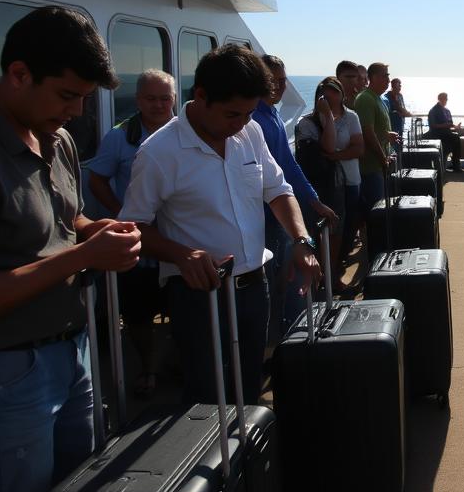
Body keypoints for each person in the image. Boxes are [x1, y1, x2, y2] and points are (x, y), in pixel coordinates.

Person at [0, 6, 141, 492]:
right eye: (67, 95)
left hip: (74, 351)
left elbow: (63, 216)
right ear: (18, 74)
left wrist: (96, 229)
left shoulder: (58, 136)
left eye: (83, 99)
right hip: (7, 371)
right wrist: (83, 256)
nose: (75, 111)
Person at [119, 44, 321, 407]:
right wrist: (181, 254)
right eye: (233, 114)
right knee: (206, 396)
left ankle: (248, 459)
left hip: (253, 287)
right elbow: (133, 227)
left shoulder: (251, 132)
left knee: (248, 384)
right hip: (199, 295)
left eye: (248, 114)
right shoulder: (158, 152)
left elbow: (278, 191)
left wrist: (302, 242)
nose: (241, 124)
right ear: (200, 96)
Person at [87, 68, 176, 398]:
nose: (158, 105)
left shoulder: (188, 135)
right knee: (138, 311)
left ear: (175, 100)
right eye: (150, 99)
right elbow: (97, 179)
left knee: (179, 304)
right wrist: (120, 214)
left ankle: (177, 360)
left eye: (165, 98)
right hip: (139, 243)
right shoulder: (119, 136)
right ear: (138, 100)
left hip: (176, 238)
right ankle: (149, 366)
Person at [253, 55, 337, 337]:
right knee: (273, 283)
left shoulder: (272, 115)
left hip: (278, 216)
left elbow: (287, 164)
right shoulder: (254, 119)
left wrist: (313, 199)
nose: (279, 86)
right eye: (273, 80)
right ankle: (280, 340)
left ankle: (286, 337)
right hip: (262, 218)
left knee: (283, 278)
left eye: (283, 80)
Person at [296, 76, 364, 281]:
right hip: (315, 185)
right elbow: (326, 145)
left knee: (340, 230)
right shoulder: (307, 123)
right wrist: (326, 116)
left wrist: (334, 155)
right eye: (324, 92)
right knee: (315, 232)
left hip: (341, 182)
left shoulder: (351, 117)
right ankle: (319, 278)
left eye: (334, 91)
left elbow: (357, 148)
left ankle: (332, 274)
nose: (329, 96)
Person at [354, 62, 396, 214]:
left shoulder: (378, 99)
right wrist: (382, 159)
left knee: (382, 209)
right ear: (373, 77)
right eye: (385, 75)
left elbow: (377, 130)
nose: (388, 79)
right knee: (374, 212)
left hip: (380, 165)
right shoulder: (365, 99)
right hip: (371, 168)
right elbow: (367, 133)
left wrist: (387, 136)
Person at [426, 92, 463, 172]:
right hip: (437, 134)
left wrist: (455, 127)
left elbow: (450, 124)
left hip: (446, 133)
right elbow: (433, 126)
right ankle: (455, 165)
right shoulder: (433, 110)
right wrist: (445, 125)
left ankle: (456, 164)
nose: (445, 100)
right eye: (443, 98)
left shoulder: (447, 111)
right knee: (455, 138)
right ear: (439, 99)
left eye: (446, 99)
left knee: (456, 137)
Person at [383, 77, 411, 147]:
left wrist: (406, 112)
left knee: (400, 143)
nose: (400, 87)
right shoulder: (387, 97)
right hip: (392, 125)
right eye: (398, 86)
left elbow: (402, 107)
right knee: (393, 145)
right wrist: (399, 112)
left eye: (400, 86)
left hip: (400, 124)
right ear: (393, 86)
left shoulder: (400, 96)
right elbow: (389, 111)